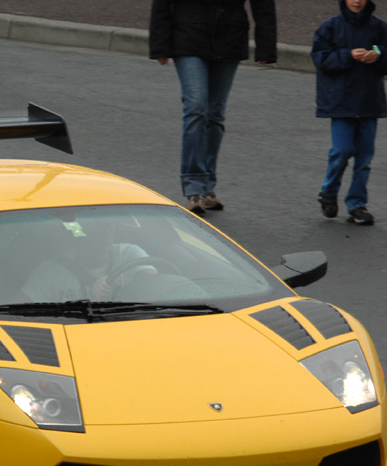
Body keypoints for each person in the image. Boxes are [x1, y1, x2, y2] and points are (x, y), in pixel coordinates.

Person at [149, 0, 277, 214]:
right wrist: (160, 45)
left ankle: (207, 185)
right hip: (188, 36)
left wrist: (266, 46)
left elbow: (263, 5)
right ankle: (193, 187)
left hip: (229, 38)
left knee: (215, 115)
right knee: (195, 107)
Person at [312, 0, 387, 226]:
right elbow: (321, 58)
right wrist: (348, 55)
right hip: (341, 102)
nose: (357, 1)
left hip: (369, 102)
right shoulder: (330, 27)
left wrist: (377, 55)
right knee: (341, 151)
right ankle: (329, 191)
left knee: (364, 157)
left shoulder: (379, 27)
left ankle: (357, 203)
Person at [20, 219, 156, 303]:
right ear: (78, 231)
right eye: (99, 226)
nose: (107, 232)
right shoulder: (52, 271)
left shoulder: (129, 254)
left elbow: (155, 285)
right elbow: (17, 313)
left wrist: (121, 284)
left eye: (110, 225)